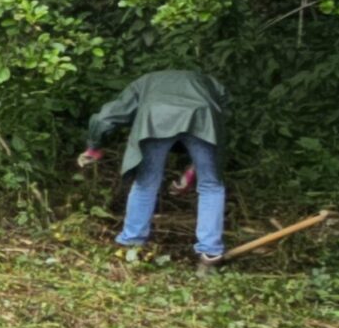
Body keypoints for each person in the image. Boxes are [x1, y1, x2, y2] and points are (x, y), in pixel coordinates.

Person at [79, 69, 228, 265]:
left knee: (145, 184)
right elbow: (213, 129)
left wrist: (94, 146)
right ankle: (210, 252)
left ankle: (132, 243)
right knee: (211, 185)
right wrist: (193, 172)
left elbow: (106, 116)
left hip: (155, 118)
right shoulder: (210, 83)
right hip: (202, 114)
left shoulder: (144, 82)